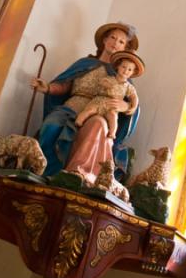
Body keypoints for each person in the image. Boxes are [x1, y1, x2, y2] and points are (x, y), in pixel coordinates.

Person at [31, 22, 140, 178]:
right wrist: (48, 88)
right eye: (112, 37)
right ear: (104, 40)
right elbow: (65, 85)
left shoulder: (123, 77)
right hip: (72, 108)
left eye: (121, 42)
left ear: (125, 48)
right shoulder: (84, 64)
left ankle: (80, 173)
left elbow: (132, 103)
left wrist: (125, 105)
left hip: (99, 113)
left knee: (99, 126)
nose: (115, 43)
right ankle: (44, 172)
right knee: (52, 124)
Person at [75, 51, 144, 139]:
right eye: (123, 67)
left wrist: (133, 106)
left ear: (132, 73)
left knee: (113, 117)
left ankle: (112, 133)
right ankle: (79, 121)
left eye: (129, 69)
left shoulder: (129, 87)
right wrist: (107, 84)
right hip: (100, 100)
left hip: (112, 105)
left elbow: (134, 97)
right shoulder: (110, 78)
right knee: (90, 110)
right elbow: (102, 82)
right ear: (118, 66)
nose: (126, 71)